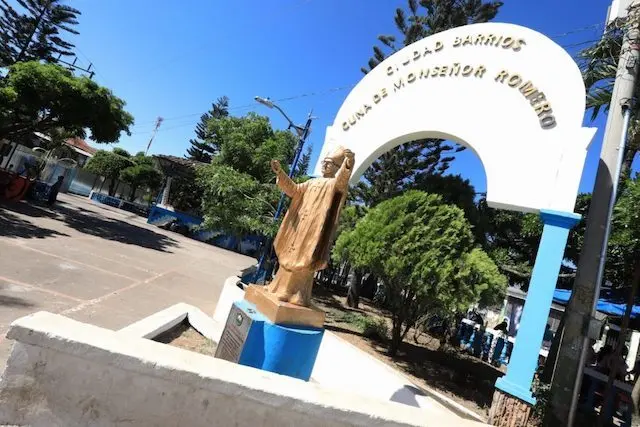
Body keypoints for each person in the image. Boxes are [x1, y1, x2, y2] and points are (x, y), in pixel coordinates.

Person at [262, 146, 354, 306]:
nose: (325, 165)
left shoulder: (333, 185)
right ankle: (277, 287)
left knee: (303, 260)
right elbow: (294, 190)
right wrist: (280, 173)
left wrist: (349, 163)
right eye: (324, 162)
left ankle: (294, 294)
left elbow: (342, 181)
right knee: (289, 256)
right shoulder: (311, 182)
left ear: (337, 168)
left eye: (330, 163)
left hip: (313, 231)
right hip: (299, 227)